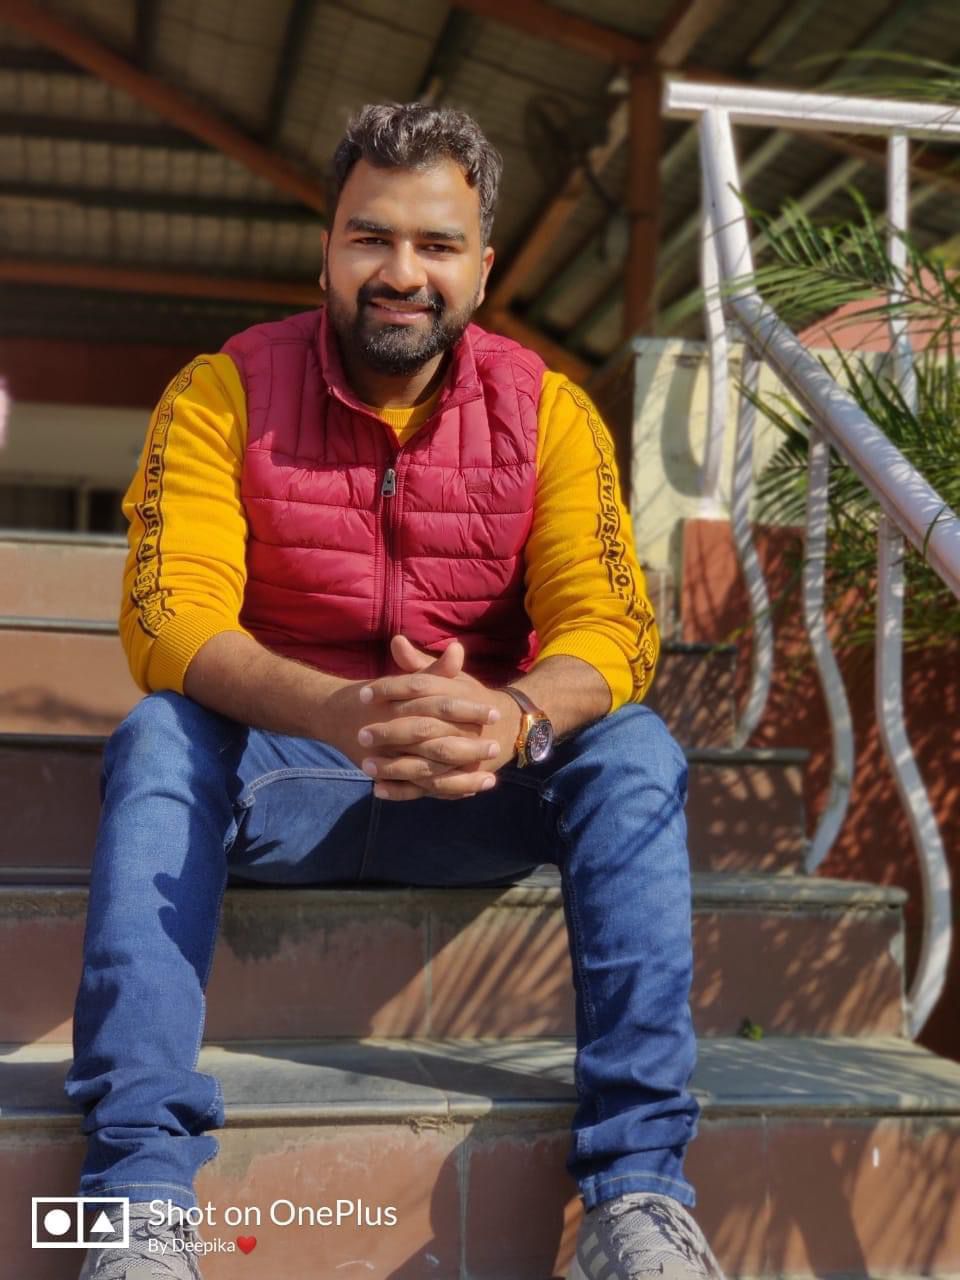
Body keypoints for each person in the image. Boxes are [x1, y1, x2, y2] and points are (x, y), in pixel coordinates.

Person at [66, 102, 724, 1280]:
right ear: (327, 250)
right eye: (371, 237)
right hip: (283, 772)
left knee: (633, 749)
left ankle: (636, 1193)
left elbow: (614, 625)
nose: (402, 272)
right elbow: (168, 615)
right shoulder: (221, 391)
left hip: (479, 779)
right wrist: (333, 708)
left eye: (436, 244)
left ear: (482, 266)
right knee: (161, 733)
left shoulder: (551, 411)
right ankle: (137, 1209)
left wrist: (516, 714)